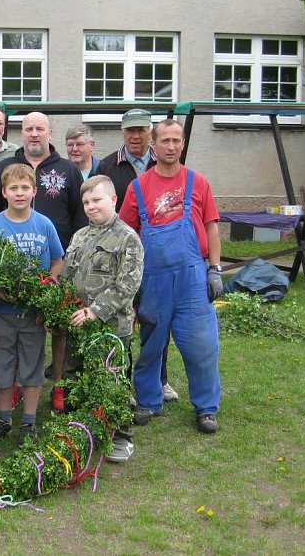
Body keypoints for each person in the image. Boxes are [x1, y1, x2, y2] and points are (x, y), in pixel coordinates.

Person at [119, 119, 223, 435]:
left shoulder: (198, 182)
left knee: (201, 345)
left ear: (182, 143)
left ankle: (206, 408)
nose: (171, 146)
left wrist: (215, 269)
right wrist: (130, 280)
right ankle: (150, 401)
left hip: (193, 277)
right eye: (165, 140)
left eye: (177, 140)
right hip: (154, 280)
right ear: (154, 145)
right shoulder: (138, 187)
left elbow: (211, 227)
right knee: (151, 344)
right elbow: (126, 235)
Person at [0, 111, 85, 412]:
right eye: (29, 129)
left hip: (56, 263)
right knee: (18, 335)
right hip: (11, 275)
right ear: (21, 133)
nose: (34, 134)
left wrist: (64, 266)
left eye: (40, 129)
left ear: (50, 132)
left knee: (59, 330)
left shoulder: (67, 169)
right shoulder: (5, 166)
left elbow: (79, 216)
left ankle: (59, 384)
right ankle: (11, 388)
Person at [61, 175, 144, 462]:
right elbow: (67, 277)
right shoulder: (80, 236)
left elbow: (127, 285)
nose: (91, 207)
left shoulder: (127, 239)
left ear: (113, 200)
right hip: (77, 325)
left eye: (96, 200)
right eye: (86, 202)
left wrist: (95, 311)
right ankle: (77, 432)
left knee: (112, 381)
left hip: (110, 328)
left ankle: (121, 436)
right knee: (74, 377)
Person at [0, 164, 64, 445]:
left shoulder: (44, 224)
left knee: (32, 364)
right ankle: (3, 418)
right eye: (13, 188)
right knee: (3, 365)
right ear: (4, 192)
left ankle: (29, 421)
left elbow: (57, 260)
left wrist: (48, 287)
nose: (19, 193)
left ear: (34, 192)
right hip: (2, 313)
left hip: (33, 314)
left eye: (24, 188)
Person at [98, 108, 175, 403]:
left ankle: (160, 378)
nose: (135, 135)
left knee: (157, 319)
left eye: (142, 130)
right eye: (130, 130)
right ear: (122, 132)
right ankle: (124, 383)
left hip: (158, 256)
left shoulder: (165, 164)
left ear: (150, 134)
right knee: (122, 321)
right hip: (120, 257)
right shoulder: (107, 166)